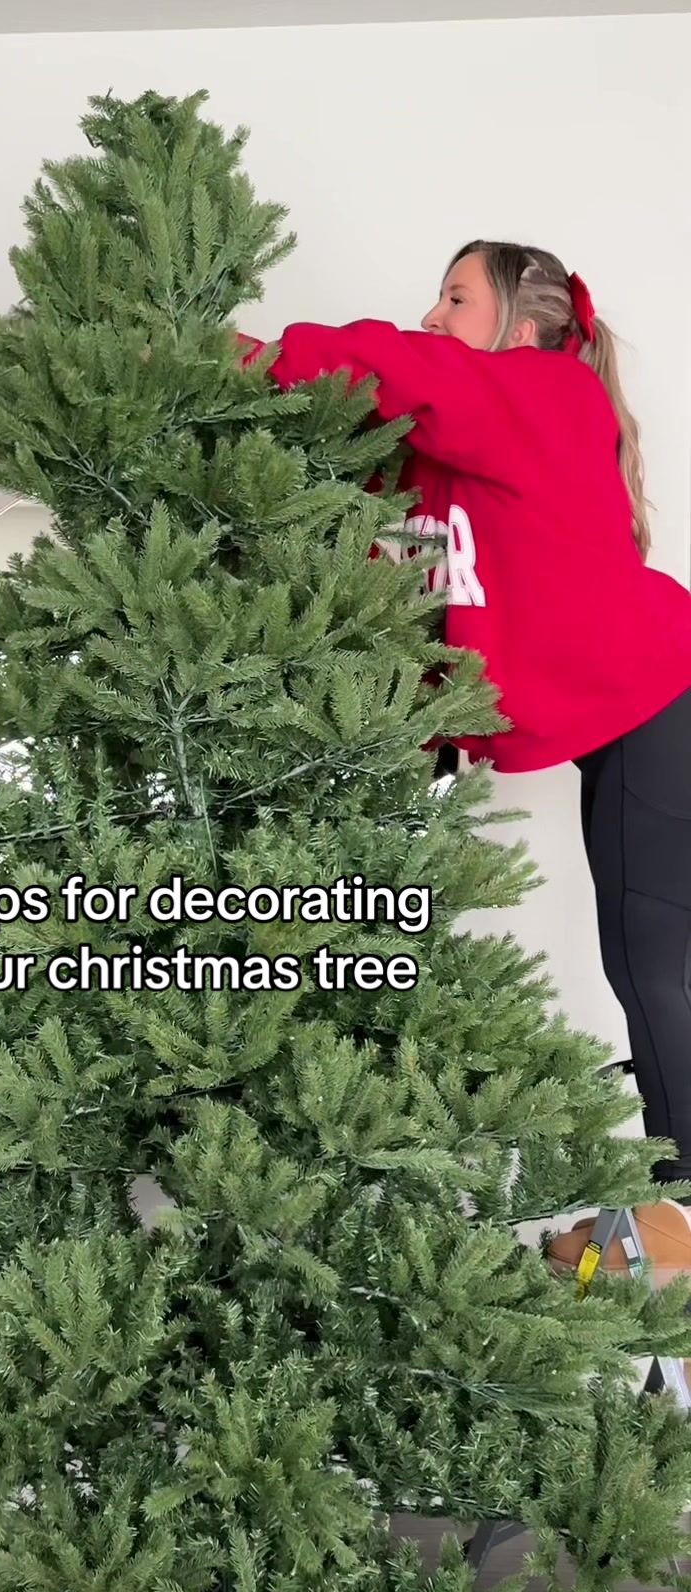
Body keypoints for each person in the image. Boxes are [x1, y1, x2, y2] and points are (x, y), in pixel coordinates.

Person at [244, 241, 691, 1194]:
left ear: (522, 330)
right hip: (625, 709)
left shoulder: (544, 389)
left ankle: (681, 1206)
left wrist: (253, 358)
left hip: (662, 698)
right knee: (653, 963)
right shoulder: (453, 455)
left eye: (457, 299)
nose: (433, 317)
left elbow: (391, 363)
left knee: (652, 962)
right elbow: (426, 592)